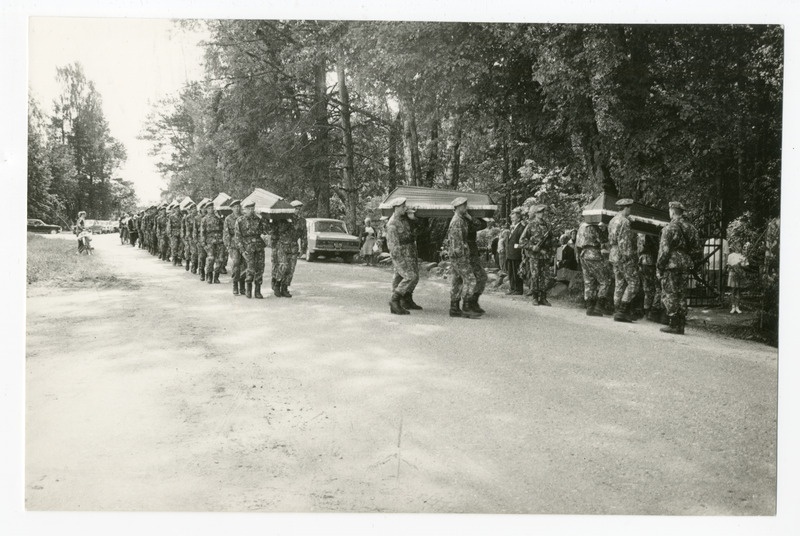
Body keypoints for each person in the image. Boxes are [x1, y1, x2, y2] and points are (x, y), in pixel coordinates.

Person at [657, 201, 701, 335]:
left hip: (671, 263)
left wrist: (660, 266)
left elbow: (664, 251)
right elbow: (697, 249)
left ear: (672, 211)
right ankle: (681, 324)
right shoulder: (692, 228)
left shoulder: (669, 228)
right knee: (681, 293)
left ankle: (673, 323)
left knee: (670, 292)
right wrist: (689, 260)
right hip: (685, 263)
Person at [446, 197, 481, 318]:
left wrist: (469, 217)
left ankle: (454, 308)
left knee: (457, 280)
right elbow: (456, 243)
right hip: (459, 256)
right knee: (471, 279)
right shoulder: (457, 221)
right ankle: (466, 307)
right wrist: (462, 257)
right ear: (457, 207)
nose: (466, 207)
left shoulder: (462, 219)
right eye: (463, 206)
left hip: (458, 255)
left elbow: (479, 225)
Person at [385, 197, 421, 315]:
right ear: (396, 208)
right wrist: (398, 260)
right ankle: (394, 301)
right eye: (402, 207)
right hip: (400, 255)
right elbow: (393, 245)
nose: (405, 208)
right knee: (410, 276)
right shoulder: (392, 223)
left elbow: (418, 229)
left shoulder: (405, 219)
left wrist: (413, 219)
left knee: (409, 277)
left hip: (410, 252)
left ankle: (406, 299)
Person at [607, 198, 641, 322]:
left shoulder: (612, 220)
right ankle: (623, 310)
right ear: (626, 208)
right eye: (629, 208)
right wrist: (629, 257)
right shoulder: (625, 221)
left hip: (613, 254)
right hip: (623, 255)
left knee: (619, 282)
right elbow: (624, 242)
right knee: (634, 282)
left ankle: (617, 310)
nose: (630, 210)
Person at [575, 218, 612, 316]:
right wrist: (604, 229)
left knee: (588, 281)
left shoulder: (582, 226)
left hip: (583, 254)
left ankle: (589, 306)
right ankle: (599, 307)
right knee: (605, 281)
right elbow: (603, 240)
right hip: (594, 254)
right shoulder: (594, 226)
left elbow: (577, 243)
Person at [520, 204, 555, 306]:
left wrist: (551, 253)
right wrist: (532, 247)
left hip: (545, 255)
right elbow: (522, 241)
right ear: (535, 213)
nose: (542, 214)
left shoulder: (548, 225)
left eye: (543, 212)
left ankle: (543, 297)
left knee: (545, 277)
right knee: (535, 276)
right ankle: (535, 297)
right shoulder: (530, 225)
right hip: (534, 256)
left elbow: (553, 241)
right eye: (540, 212)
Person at [235, 199, 267, 299]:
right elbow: (238, 237)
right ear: (244, 209)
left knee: (260, 269)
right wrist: (242, 250)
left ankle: (257, 291)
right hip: (247, 248)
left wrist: (265, 219)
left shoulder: (259, 219)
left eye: (252, 208)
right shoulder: (240, 220)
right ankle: (248, 289)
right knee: (250, 269)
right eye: (249, 208)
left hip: (259, 247)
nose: (251, 210)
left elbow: (265, 231)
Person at [637, 232, 663, 322]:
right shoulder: (653, 234)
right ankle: (654, 311)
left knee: (647, 288)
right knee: (658, 287)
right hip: (651, 261)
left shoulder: (641, 233)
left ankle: (647, 311)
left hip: (642, 261)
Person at [200, 200, 225, 284]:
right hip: (210, 242)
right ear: (206, 209)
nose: (211, 210)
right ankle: (209, 275)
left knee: (220, 260)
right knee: (210, 259)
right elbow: (202, 232)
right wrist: (203, 243)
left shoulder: (218, 218)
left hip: (219, 241)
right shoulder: (204, 219)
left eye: (212, 208)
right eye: (209, 208)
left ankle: (216, 276)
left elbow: (223, 229)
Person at [223, 200, 245, 296]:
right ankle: (235, 284)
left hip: (244, 244)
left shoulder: (244, 217)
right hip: (234, 245)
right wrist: (228, 246)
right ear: (231, 208)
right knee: (236, 263)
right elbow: (226, 234)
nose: (237, 208)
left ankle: (242, 285)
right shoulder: (228, 219)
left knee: (244, 265)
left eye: (238, 206)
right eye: (235, 207)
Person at [504, 208, 525, 295]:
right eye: (511, 217)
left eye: (513, 217)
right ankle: (512, 288)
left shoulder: (521, 228)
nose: (511, 218)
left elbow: (522, 241)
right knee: (511, 273)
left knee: (516, 273)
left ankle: (518, 290)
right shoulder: (513, 227)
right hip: (510, 254)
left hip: (516, 254)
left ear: (519, 218)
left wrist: (516, 247)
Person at [727, 246, 749, 314]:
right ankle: (733, 306)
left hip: (740, 274)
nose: (738, 248)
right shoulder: (731, 255)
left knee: (738, 291)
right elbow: (728, 265)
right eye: (737, 246)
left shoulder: (743, 256)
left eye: (740, 246)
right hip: (733, 273)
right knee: (733, 290)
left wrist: (741, 265)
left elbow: (746, 266)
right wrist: (734, 267)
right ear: (734, 247)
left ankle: (737, 306)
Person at [194, 199, 210, 281]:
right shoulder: (197, 218)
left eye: (205, 208)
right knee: (202, 257)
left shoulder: (210, 217)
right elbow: (195, 230)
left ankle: (208, 273)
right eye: (203, 208)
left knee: (210, 258)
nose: (204, 209)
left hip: (209, 240)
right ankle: (202, 272)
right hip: (200, 240)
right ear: (200, 209)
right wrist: (196, 241)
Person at [182, 202, 197, 273]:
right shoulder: (187, 217)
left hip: (196, 237)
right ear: (190, 210)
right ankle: (187, 262)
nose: (194, 210)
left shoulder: (198, 217)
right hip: (189, 237)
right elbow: (187, 229)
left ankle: (194, 267)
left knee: (195, 253)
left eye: (195, 208)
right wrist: (190, 238)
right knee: (188, 251)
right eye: (193, 209)